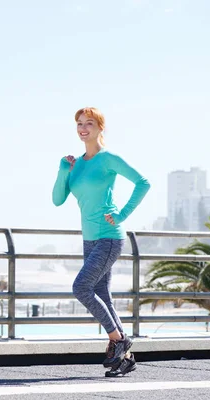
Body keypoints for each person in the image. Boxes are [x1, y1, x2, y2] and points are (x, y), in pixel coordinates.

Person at [52, 107, 150, 372]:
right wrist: (63, 170)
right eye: (79, 124)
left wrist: (121, 215)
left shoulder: (108, 159)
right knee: (103, 294)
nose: (83, 128)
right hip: (90, 240)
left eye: (89, 124)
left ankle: (118, 340)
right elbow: (57, 199)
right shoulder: (76, 163)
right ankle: (125, 360)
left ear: (100, 128)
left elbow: (143, 182)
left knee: (81, 288)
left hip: (108, 237)